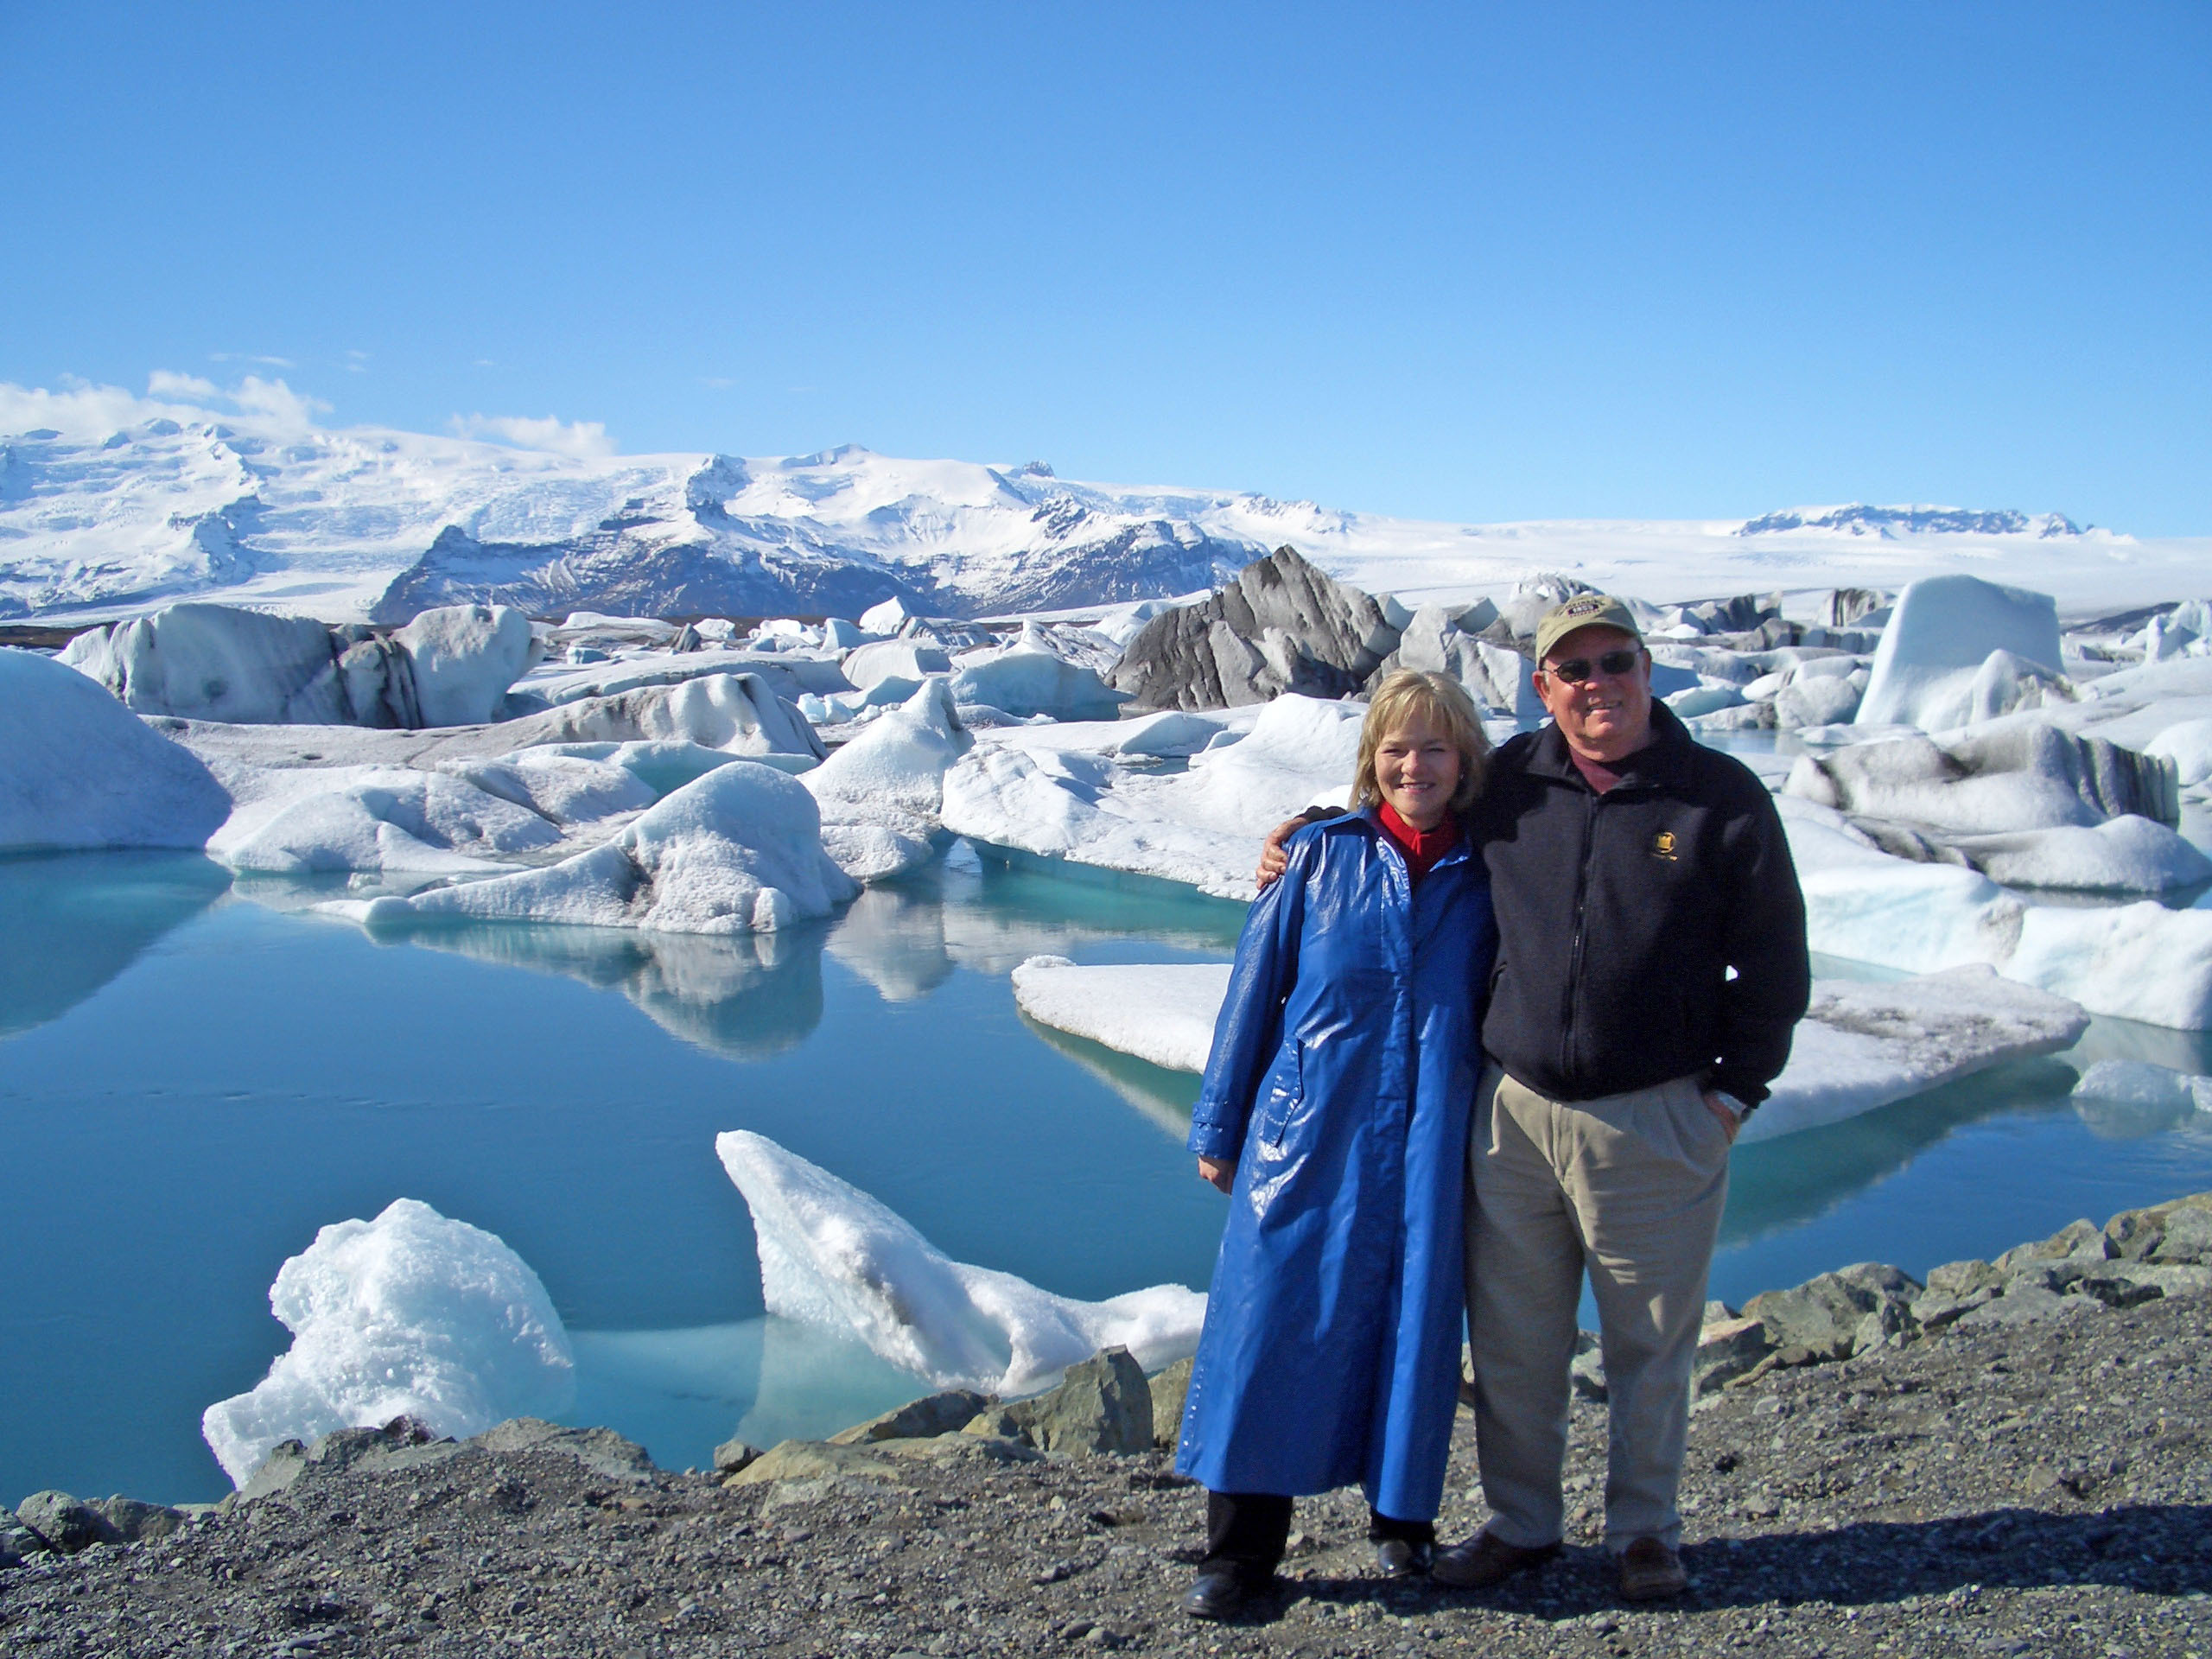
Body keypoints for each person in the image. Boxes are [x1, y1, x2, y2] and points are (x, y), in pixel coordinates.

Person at [1257, 594, 1809, 1601]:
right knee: (1514, 1339)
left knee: (1649, 1339)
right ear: (1544, 685)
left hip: (1655, 1114)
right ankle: (1522, 1524)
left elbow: (1774, 963)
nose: (1598, 684)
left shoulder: (1716, 796)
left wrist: (1729, 1098)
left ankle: (1645, 1532)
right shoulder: (1511, 780)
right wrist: (1305, 833)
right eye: (1574, 669)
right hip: (1512, 1112)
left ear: (1648, 670)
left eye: (1617, 662)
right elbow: (1403, 811)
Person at [1175, 671, 1500, 1620]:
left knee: (1411, 1328)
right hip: (1307, 1133)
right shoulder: (1317, 858)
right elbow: (1254, 988)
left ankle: (1402, 1528)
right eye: (1396, 748)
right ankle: (1240, 1554)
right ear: (1371, 759)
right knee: (1266, 1328)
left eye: (1434, 747)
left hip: (1431, 1140)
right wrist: (1220, 1123)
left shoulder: (1489, 871)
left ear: (1464, 758)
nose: (1414, 766)